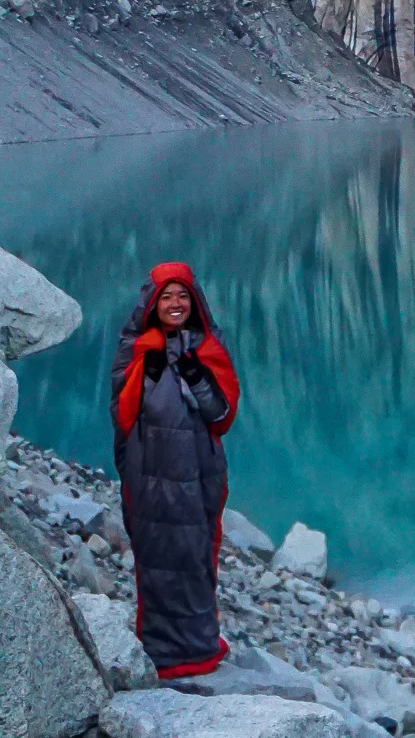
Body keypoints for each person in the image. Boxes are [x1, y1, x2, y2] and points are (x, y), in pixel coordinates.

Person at [109, 261, 240, 679]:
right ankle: (162, 650)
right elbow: (124, 416)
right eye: (166, 296)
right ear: (152, 303)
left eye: (182, 295)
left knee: (195, 556)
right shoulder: (135, 350)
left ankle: (199, 647)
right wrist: (146, 369)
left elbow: (221, 416)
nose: (175, 303)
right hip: (150, 474)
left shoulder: (208, 347)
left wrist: (194, 374)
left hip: (197, 474)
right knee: (156, 555)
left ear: (194, 301)